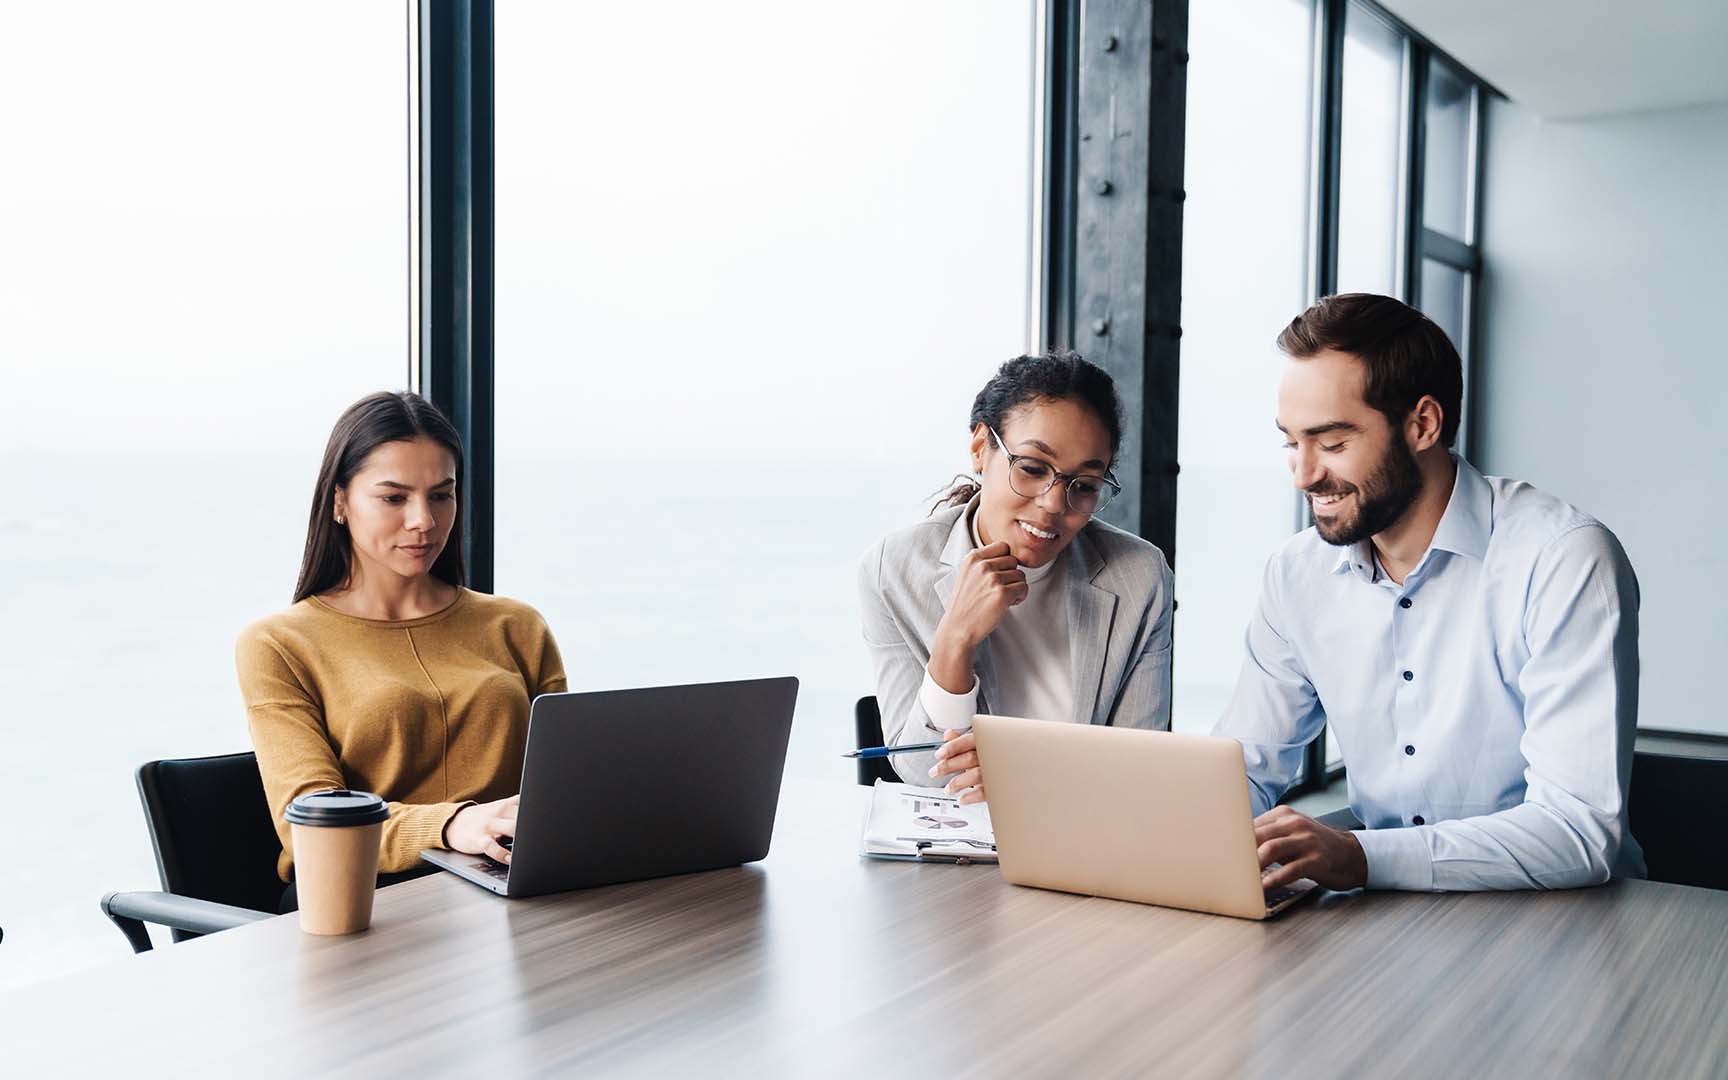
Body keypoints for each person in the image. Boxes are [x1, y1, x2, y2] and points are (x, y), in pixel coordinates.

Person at [1220, 293, 1644, 893]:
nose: (1304, 474)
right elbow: (1243, 770)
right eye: (1292, 442)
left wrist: (1359, 857)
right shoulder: (1296, 574)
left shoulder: (1563, 559)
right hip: (1387, 918)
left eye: (1333, 443)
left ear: (1423, 424)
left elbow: (1577, 829)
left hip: (1571, 919)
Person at [237, 391, 565, 906]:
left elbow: (564, 781)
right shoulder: (279, 644)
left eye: (441, 495)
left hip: (512, 887)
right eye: (394, 498)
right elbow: (312, 822)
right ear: (339, 501)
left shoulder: (516, 625)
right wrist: (451, 823)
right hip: (365, 899)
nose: (424, 521)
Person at [859, 350, 1173, 800]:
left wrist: (1025, 775)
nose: (1052, 503)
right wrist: (956, 637)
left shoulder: (1140, 577)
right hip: (957, 848)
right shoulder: (892, 569)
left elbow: (1141, 768)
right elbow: (916, 767)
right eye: (1031, 468)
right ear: (980, 448)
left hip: (1082, 846)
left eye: (1083, 486)